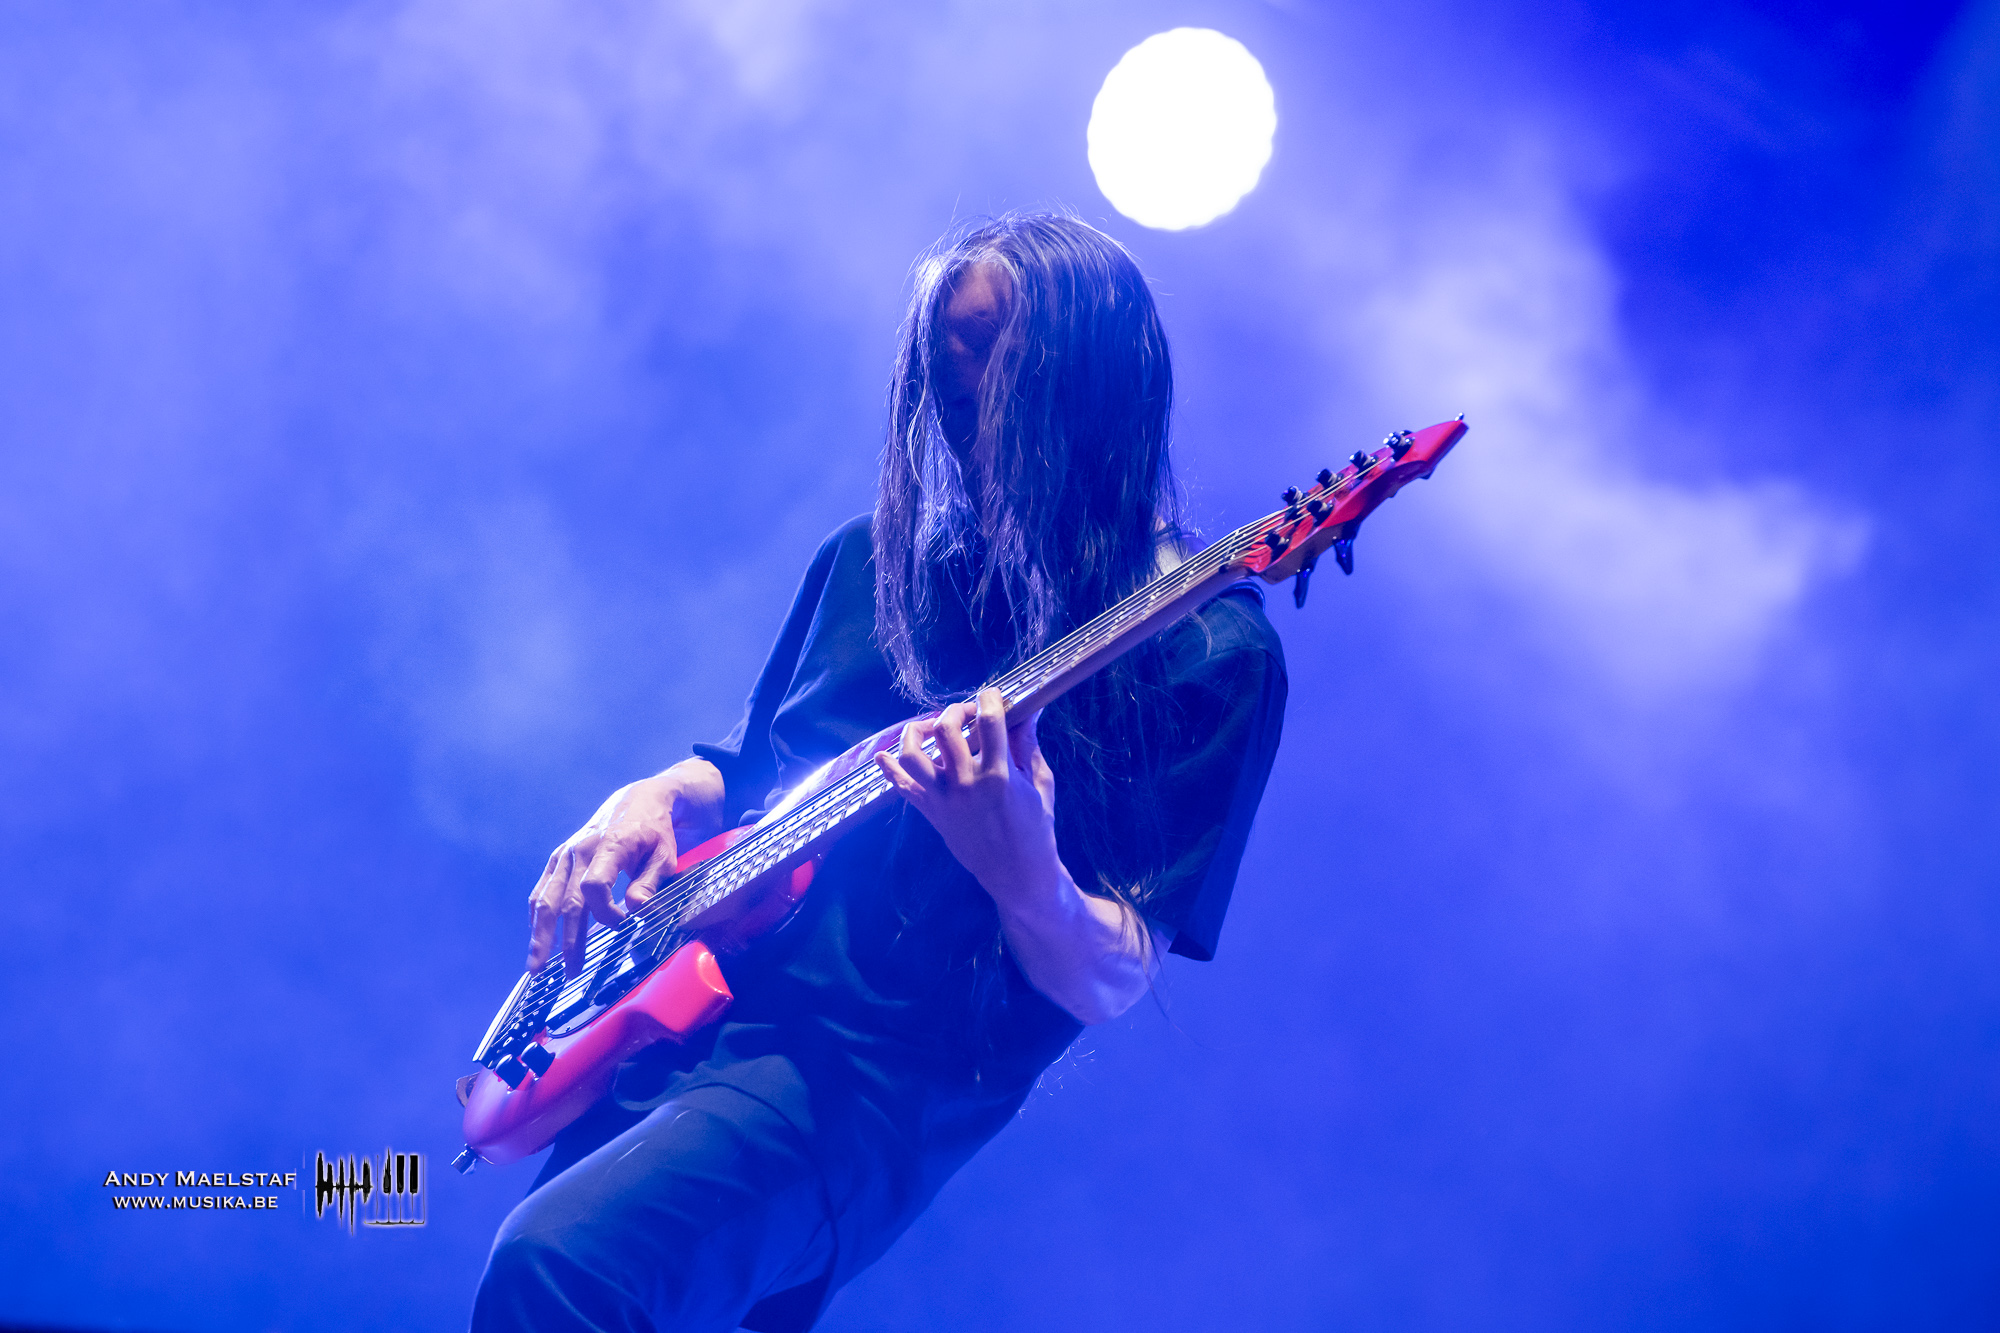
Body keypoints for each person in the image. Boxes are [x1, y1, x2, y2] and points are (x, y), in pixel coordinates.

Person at [471, 212, 1288, 1332]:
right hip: (682, 1017)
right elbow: (760, 776)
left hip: (858, 1085)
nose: (957, 389)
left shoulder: (1206, 649)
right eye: (942, 356)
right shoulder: (868, 563)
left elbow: (1111, 975)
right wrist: (650, 793)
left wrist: (1023, 871)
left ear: (1096, 373)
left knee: (559, 1268)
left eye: (994, 351)